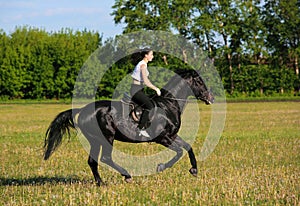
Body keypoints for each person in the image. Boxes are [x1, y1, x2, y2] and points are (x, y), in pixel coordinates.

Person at [130, 48, 161, 138]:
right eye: (151, 54)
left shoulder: (143, 64)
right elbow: (146, 81)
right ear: (146, 55)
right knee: (149, 106)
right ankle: (140, 129)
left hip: (139, 89)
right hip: (136, 90)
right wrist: (156, 89)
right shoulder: (143, 65)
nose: (152, 56)